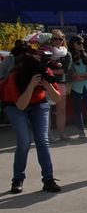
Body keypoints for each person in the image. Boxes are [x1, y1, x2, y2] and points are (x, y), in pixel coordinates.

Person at [2, 47, 62, 193]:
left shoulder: (44, 71)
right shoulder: (15, 75)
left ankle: (48, 179)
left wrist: (47, 85)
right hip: (16, 105)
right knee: (24, 142)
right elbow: (21, 105)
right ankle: (17, 179)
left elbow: (57, 99)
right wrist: (31, 85)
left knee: (42, 140)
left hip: (38, 104)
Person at [67, 35, 87, 138]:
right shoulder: (69, 56)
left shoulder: (86, 56)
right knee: (78, 109)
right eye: (78, 43)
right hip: (76, 86)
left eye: (82, 43)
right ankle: (81, 131)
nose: (81, 45)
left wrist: (82, 76)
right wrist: (79, 76)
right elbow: (71, 73)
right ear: (73, 44)